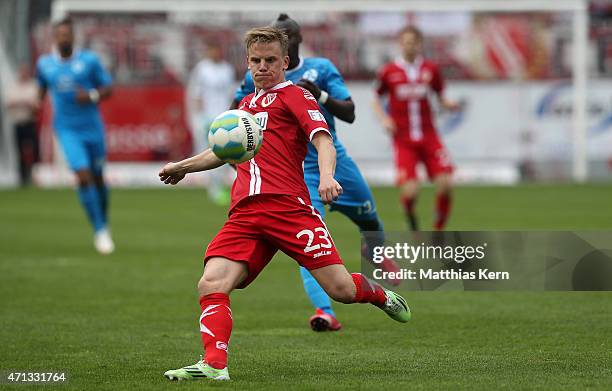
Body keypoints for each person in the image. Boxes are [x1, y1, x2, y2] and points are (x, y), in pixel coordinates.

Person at [160, 26, 410, 381]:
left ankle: (379, 296)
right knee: (211, 283)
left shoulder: (296, 97)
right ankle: (214, 364)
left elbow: (323, 141)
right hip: (246, 213)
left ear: (285, 62)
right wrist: (181, 167)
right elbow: (221, 152)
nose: (262, 67)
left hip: (289, 210)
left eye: (270, 60)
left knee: (340, 290)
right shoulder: (245, 106)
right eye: (256, 61)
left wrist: (326, 177)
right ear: (247, 63)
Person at [231, 13, 400, 332]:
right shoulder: (257, 73)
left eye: (289, 36)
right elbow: (235, 113)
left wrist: (319, 94)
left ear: (296, 41)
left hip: (335, 159)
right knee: (309, 240)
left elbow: (349, 112)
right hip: (294, 172)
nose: (284, 42)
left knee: (368, 216)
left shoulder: (320, 69)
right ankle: (324, 311)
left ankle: (376, 251)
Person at [36, 18, 114, 254]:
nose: (64, 39)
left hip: (92, 129)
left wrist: (90, 96)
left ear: (73, 37)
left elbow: (108, 89)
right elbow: (41, 91)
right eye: (59, 35)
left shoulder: (88, 61)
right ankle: (99, 229)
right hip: (66, 130)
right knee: (82, 175)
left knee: (98, 178)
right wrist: (34, 104)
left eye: (67, 34)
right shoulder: (45, 64)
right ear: (54, 38)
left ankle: (103, 221)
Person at [373, 26, 461, 231]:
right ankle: (410, 212)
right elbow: (376, 99)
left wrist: (449, 104)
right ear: (400, 44)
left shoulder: (430, 69)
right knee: (411, 192)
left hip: (429, 136)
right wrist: (384, 119)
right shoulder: (389, 71)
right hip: (403, 139)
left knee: (446, 184)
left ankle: (438, 229)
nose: (409, 46)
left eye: (413, 42)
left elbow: (440, 96)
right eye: (405, 42)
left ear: (419, 44)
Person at [187, 41, 236, 206]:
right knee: (212, 153)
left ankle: (222, 186)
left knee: (226, 153)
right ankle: (214, 188)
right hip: (208, 117)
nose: (215, 53)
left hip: (224, 117)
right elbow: (196, 94)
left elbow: (231, 94)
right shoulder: (202, 69)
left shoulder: (227, 69)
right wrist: (200, 117)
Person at [5, 63, 40, 186]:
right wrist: (24, 102)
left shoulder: (33, 86)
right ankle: (22, 177)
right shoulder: (13, 87)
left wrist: (23, 103)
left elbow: (36, 104)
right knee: (19, 149)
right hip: (18, 122)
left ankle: (35, 174)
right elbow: (9, 103)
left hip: (30, 122)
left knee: (35, 149)